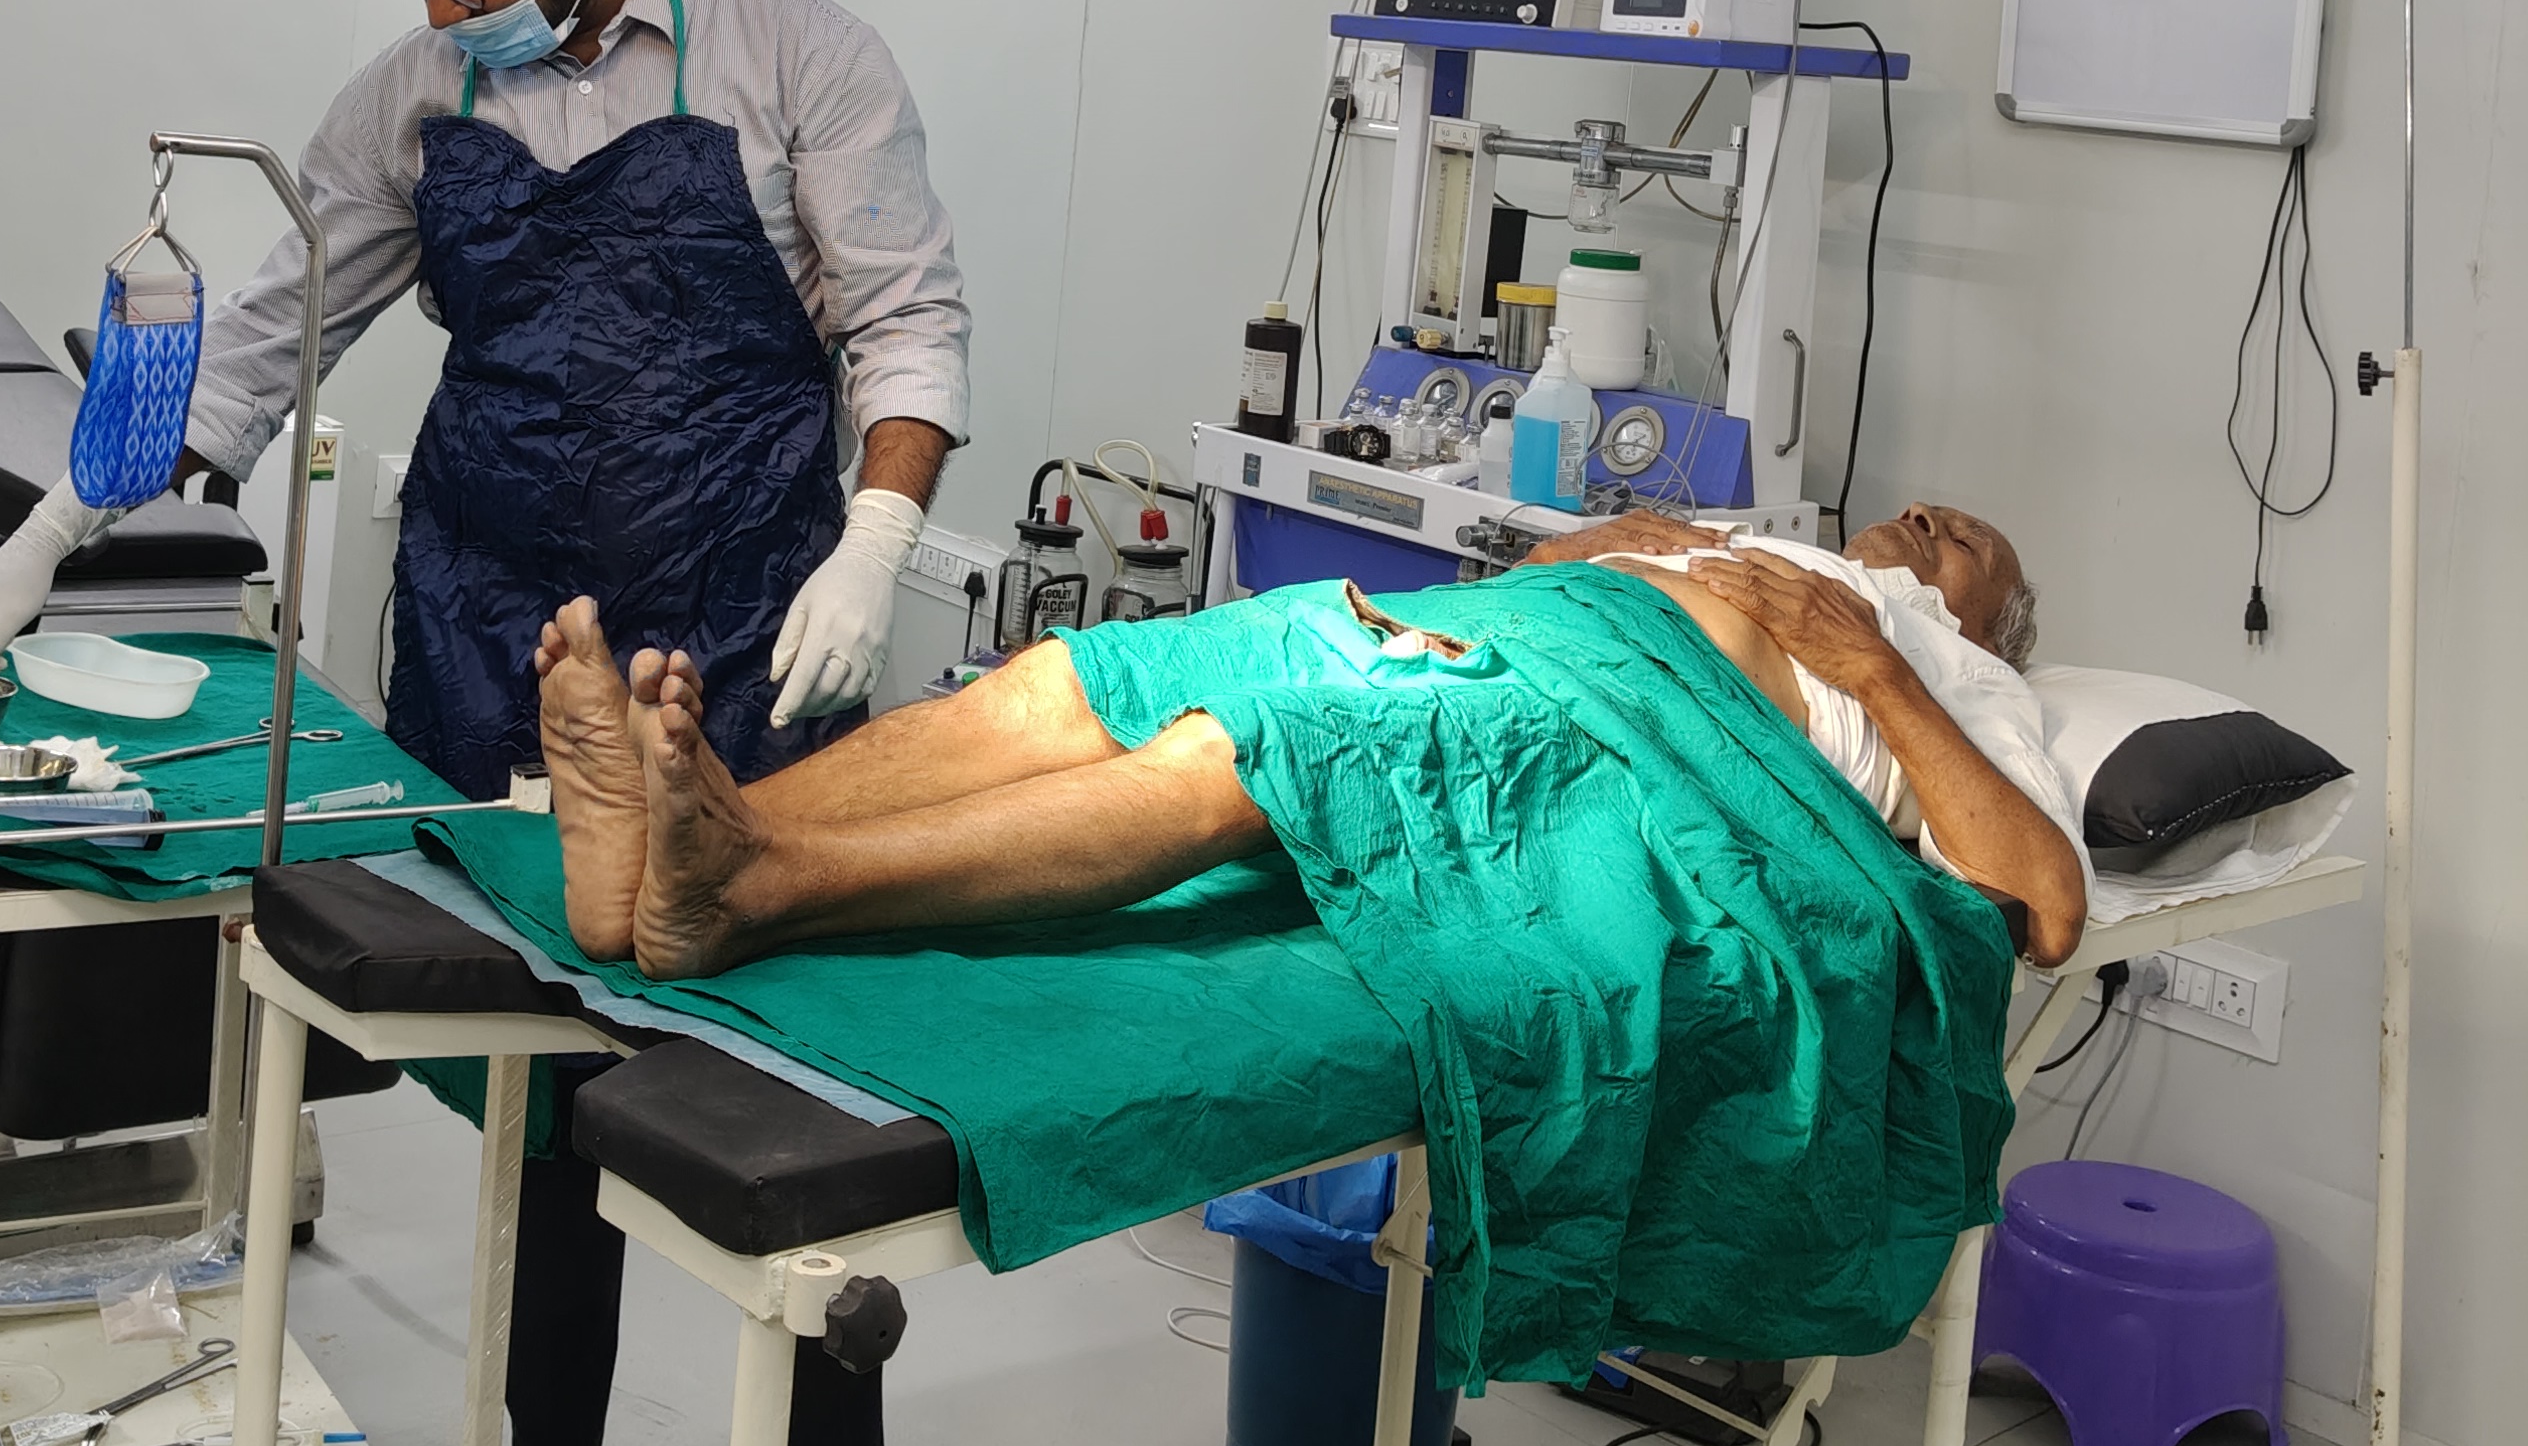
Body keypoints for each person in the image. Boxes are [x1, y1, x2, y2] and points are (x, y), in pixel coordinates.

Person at [0, 0, 1011, 1446]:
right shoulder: (411, 103)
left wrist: (875, 541)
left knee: (807, 1102)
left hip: (746, 635)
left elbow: (907, 321)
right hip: (498, 631)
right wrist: (53, 530)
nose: (438, 3)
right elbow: (267, 339)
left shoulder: (798, 58)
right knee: (546, 1103)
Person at [526, 495, 2090, 980]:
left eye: (1970, 540)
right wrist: (1606, 543)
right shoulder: (1757, 535)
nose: (1935, 520)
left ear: (1989, 619)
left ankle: (758, 887)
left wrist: (1876, 667)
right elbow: (1544, 566)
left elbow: (2044, 902)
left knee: (1247, 754)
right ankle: (678, 838)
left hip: (1615, 717)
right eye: (1928, 511)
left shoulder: (1955, 669)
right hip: (1494, 625)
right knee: (1081, 681)